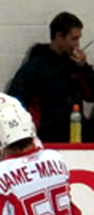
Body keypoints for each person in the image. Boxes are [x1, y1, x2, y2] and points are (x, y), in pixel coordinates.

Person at [6, 11, 94, 142]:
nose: (77, 45)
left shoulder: (75, 65)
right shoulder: (36, 66)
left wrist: (84, 67)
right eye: (73, 39)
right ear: (59, 36)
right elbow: (14, 98)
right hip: (48, 133)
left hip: (76, 129)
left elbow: (91, 95)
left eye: (79, 38)